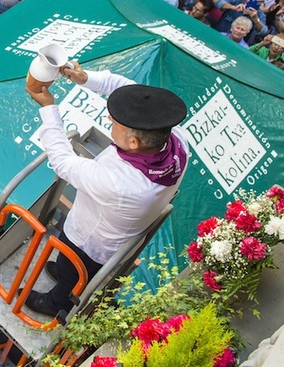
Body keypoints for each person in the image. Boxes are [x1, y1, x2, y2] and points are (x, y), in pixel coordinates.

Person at [24, 62, 189, 317]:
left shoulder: (123, 184)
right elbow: (129, 91)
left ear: (133, 142)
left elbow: (63, 163)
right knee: (70, 267)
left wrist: (48, 108)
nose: (110, 120)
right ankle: (67, 279)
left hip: (90, 240)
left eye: (115, 124)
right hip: (113, 228)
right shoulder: (175, 139)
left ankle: (57, 302)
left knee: (73, 268)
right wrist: (85, 77)